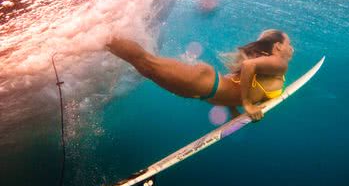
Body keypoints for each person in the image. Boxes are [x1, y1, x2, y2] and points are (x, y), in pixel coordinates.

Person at [105, 29, 294, 122]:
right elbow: (248, 65)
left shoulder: (270, 67)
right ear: (277, 46)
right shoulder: (280, 64)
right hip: (204, 85)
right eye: (288, 44)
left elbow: (238, 83)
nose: (291, 48)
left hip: (205, 86)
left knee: (146, 65)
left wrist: (234, 108)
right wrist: (246, 104)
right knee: (147, 64)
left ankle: (103, 37)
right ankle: (105, 36)